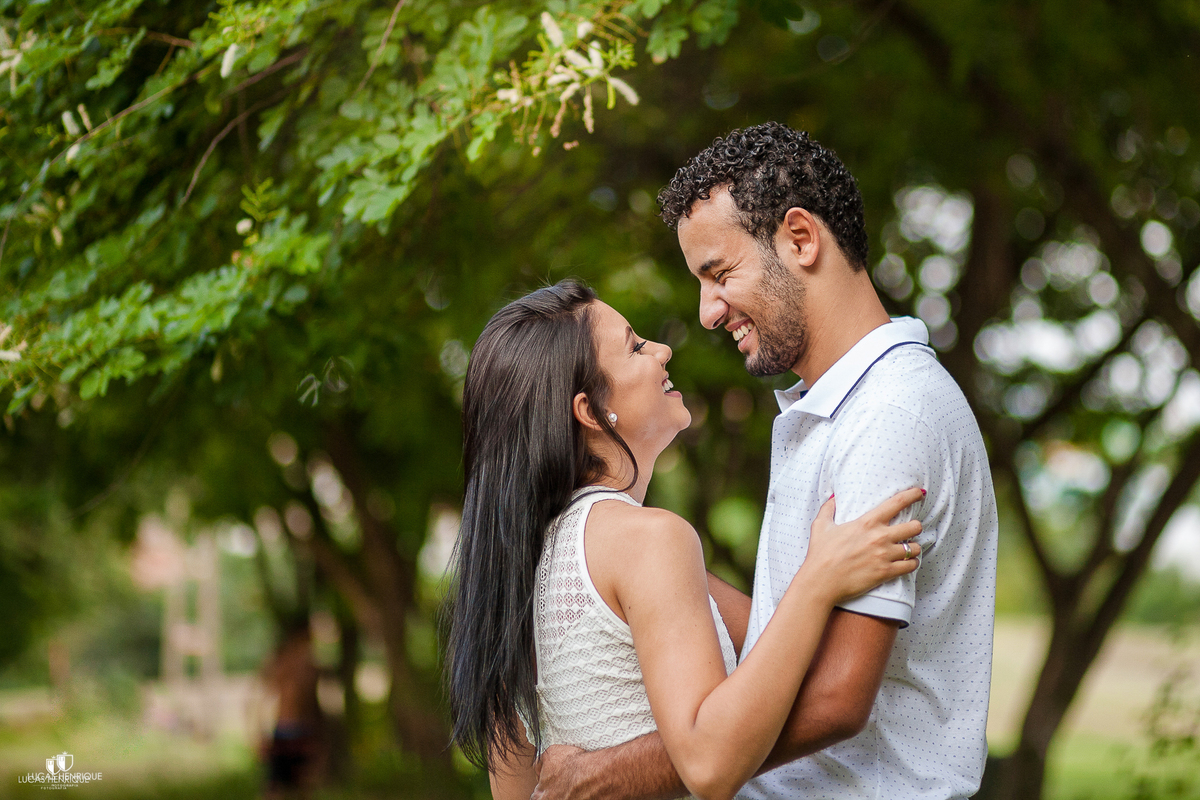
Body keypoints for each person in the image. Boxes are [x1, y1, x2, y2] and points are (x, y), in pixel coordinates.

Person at [532, 123, 998, 799]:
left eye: (719, 274)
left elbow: (837, 697)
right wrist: (633, 566)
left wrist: (615, 771)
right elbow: (791, 636)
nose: (707, 313)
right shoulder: (830, 404)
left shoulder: (889, 416)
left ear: (801, 239)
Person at [445, 280, 926, 800]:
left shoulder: (516, 572)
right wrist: (817, 580)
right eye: (635, 347)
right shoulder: (648, 541)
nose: (663, 349)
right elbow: (710, 764)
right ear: (589, 411)